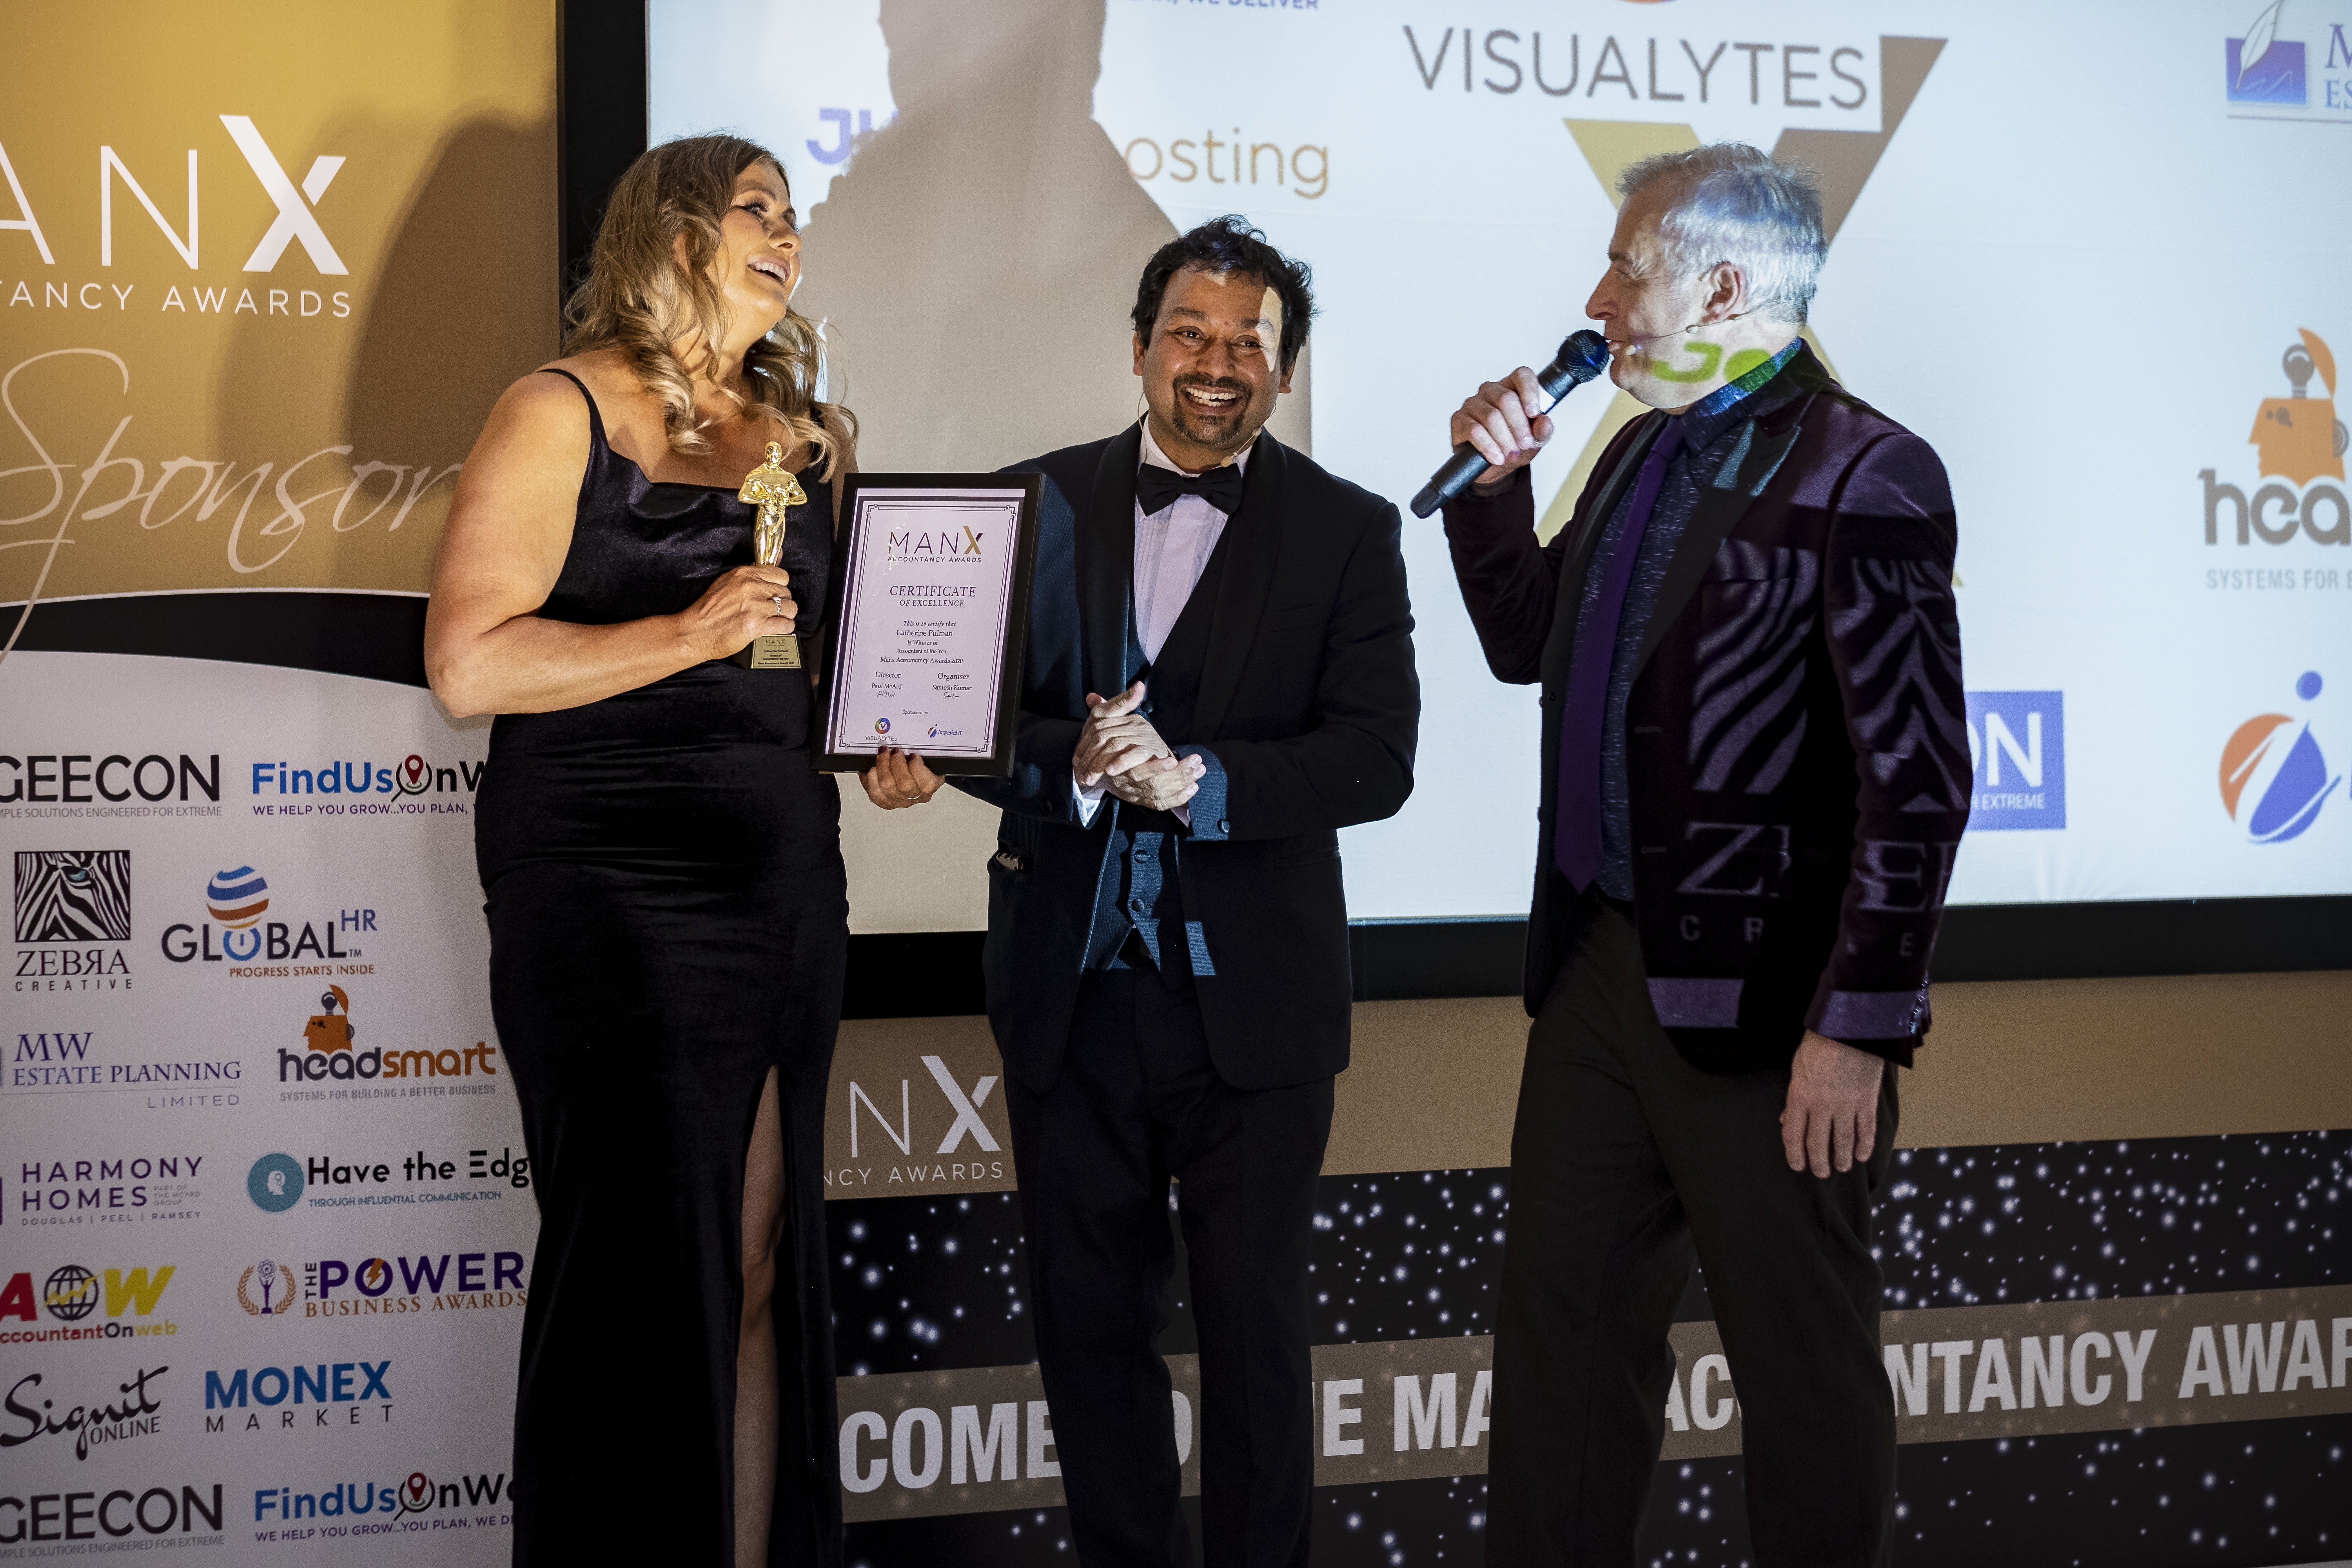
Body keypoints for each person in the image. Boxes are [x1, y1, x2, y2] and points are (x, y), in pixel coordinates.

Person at [1436, 143, 1968, 1566]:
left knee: (1800, 1368)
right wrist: (1492, 493)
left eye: (1627, 267)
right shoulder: (1636, 446)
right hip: (1599, 972)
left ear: (1724, 286)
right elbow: (1528, 643)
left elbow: (1918, 783)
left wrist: (1858, 1028)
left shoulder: (1870, 469)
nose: (1597, 298)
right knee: (1561, 1349)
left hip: (1776, 1010)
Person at [423, 135, 939, 1568]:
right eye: (759, 207)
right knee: (642, 1275)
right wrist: (684, 631)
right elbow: (469, 665)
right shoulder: (560, 408)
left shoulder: (808, 440)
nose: (790, 232)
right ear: (674, 233)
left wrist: (887, 742)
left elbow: (813, 668)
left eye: (795, 213)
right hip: (607, 879)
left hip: (780, 874)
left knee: (755, 1261)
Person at [954, 216, 1419, 1566]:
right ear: (1140, 348)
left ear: (1287, 369)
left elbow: (1376, 758)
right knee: (1088, 1332)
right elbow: (962, 720)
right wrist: (1074, 763)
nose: (1216, 364)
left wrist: (1202, 781)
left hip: (1258, 1014)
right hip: (1071, 997)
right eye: (1189, 335)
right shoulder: (1030, 502)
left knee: (1257, 1340)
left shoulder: (1351, 531)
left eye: (1247, 343)